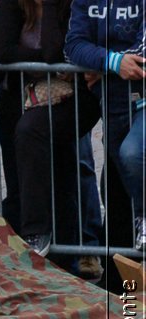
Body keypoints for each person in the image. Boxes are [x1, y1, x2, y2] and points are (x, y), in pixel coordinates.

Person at [0, 0, 98, 262]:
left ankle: (55, 243)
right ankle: (32, 244)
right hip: (22, 99)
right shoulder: (15, 5)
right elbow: (2, 50)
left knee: (66, 167)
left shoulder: (67, 5)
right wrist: (46, 64)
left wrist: (50, 5)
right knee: (22, 172)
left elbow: (54, 49)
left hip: (74, 98)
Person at [65, 0, 145, 251]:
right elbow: (73, 46)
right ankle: (126, 289)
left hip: (140, 100)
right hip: (112, 104)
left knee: (132, 155)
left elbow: (142, 53)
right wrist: (111, 62)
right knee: (117, 195)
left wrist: (105, 64)